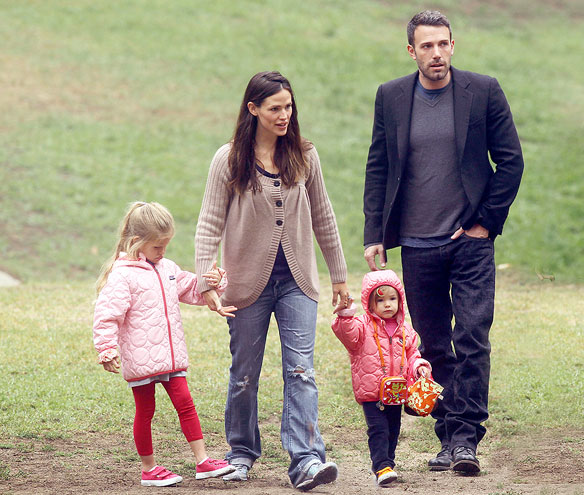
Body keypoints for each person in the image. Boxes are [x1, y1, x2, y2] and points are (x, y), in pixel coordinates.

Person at [363, 11, 524, 474]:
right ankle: (449, 435)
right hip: (416, 244)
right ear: (411, 51)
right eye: (427, 46)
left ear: (453, 46)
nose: (437, 54)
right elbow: (378, 166)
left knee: (471, 335)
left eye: (444, 44)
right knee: (432, 346)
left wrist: (484, 223)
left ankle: (467, 438)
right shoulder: (391, 97)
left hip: (469, 242)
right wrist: (375, 232)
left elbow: (510, 162)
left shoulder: (483, 91)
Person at [194, 71, 350, 491]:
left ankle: (306, 461)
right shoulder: (228, 159)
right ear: (254, 109)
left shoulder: (305, 155)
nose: (285, 115)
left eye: (289, 106)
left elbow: (324, 217)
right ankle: (241, 453)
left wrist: (339, 277)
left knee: (301, 370)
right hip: (246, 285)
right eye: (275, 108)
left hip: (297, 282)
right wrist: (205, 281)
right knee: (244, 372)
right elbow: (209, 223)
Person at [93, 201, 238, 487]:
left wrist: (214, 282)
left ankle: (203, 461)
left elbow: (194, 290)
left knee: (186, 404)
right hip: (141, 359)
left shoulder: (167, 267)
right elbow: (107, 315)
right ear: (137, 243)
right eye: (158, 247)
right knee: (145, 412)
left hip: (171, 358)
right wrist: (106, 348)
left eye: (165, 246)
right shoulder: (122, 275)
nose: (163, 253)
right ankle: (149, 469)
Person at [331, 270, 431, 486]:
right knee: (378, 429)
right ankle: (381, 466)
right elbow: (347, 334)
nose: (387, 305)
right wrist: (346, 315)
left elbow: (413, 353)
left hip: (396, 391)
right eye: (381, 300)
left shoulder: (406, 329)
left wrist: (419, 366)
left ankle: (388, 464)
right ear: (369, 302)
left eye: (392, 299)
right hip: (371, 392)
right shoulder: (362, 326)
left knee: (394, 429)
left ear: (400, 300)